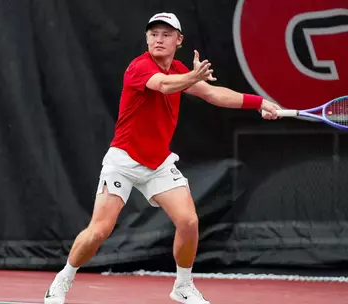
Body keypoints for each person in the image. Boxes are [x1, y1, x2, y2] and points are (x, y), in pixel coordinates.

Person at [44, 12, 281, 304]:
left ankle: (183, 286)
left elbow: (213, 94)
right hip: (123, 161)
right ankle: (62, 280)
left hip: (158, 164)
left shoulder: (179, 69)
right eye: (154, 34)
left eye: (166, 34)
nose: (158, 39)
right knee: (99, 230)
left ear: (178, 41)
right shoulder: (139, 67)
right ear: (147, 38)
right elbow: (165, 85)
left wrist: (259, 103)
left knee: (189, 221)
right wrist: (191, 77)